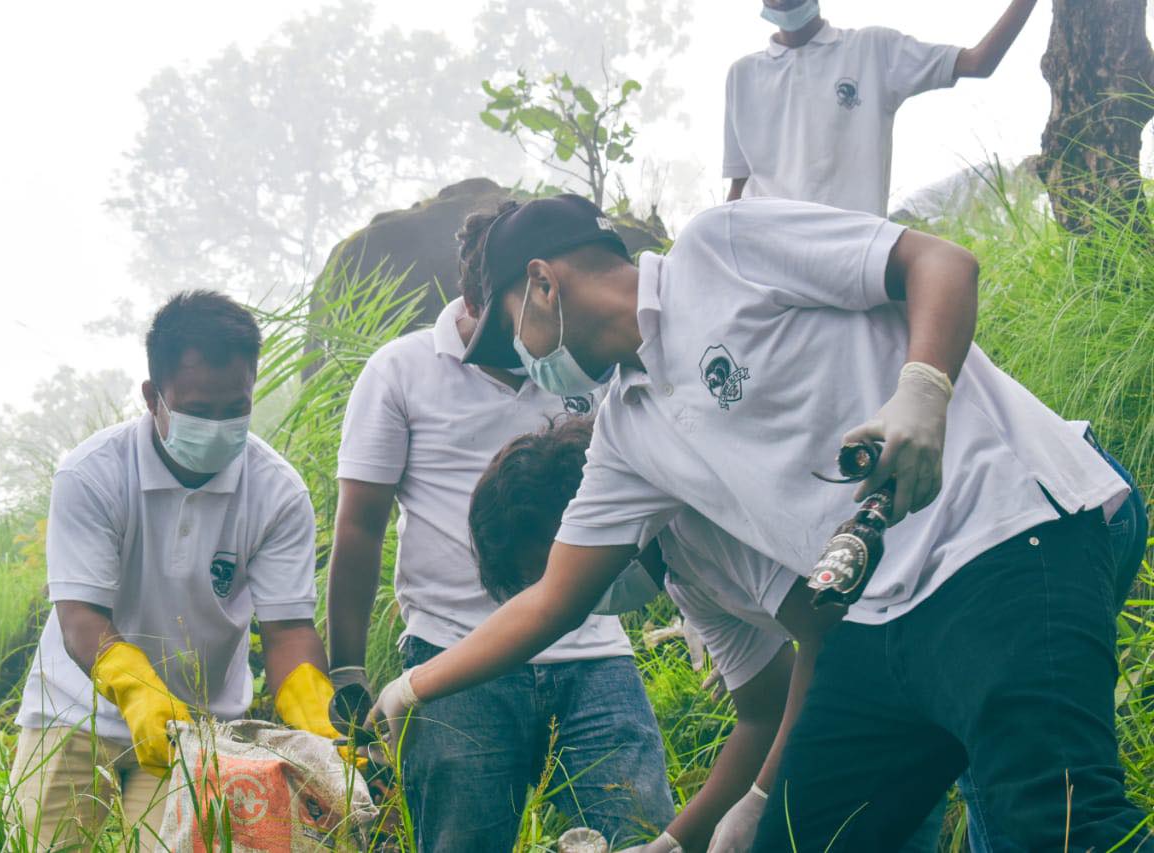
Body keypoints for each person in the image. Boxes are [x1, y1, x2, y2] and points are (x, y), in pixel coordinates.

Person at [366, 193, 1151, 851]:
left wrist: (923, 389)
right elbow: (551, 599)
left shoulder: (721, 248)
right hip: (876, 615)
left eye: (509, 332)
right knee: (793, 839)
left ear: (542, 283)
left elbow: (940, 261)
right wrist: (411, 686)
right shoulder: (627, 430)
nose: (518, 360)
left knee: (1057, 826)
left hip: (1000, 532)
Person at [325, 205, 674, 852]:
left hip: (589, 647)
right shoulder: (401, 370)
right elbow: (360, 526)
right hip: (454, 654)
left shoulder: (584, 358)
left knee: (639, 833)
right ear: (474, 303)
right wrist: (346, 666)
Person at [8, 291, 341, 851]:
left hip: (196, 728)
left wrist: (315, 714)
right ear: (152, 397)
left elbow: (287, 629)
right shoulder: (92, 474)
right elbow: (80, 615)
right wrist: (138, 690)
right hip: (72, 713)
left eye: (235, 408)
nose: (219, 426)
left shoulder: (277, 492)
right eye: (198, 411)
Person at [469, 415, 845, 853]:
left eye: (560, 574)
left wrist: (761, 796)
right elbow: (764, 711)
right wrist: (669, 844)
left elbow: (832, 637)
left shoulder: (704, 523)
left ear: (592, 515)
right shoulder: (684, 575)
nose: (570, 598)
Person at [724, 0, 1038, 215]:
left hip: (851, 246)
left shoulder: (872, 49)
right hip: (767, 248)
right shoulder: (742, 75)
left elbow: (978, 62)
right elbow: (738, 188)